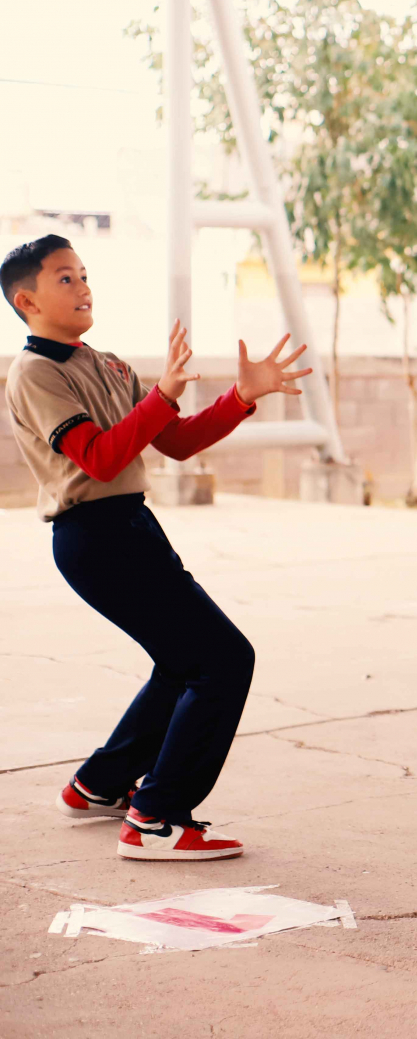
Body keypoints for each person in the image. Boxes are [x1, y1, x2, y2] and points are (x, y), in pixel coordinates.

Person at [3, 234, 311, 860]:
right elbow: (97, 455)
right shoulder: (34, 372)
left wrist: (242, 397)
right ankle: (156, 819)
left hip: (132, 529)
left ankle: (98, 786)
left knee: (183, 663)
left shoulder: (109, 363)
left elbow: (175, 443)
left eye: (84, 273)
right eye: (65, 278)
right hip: (95, 536)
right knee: (223, 660)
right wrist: (162, 395)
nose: (83, 285)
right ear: (27, 301)